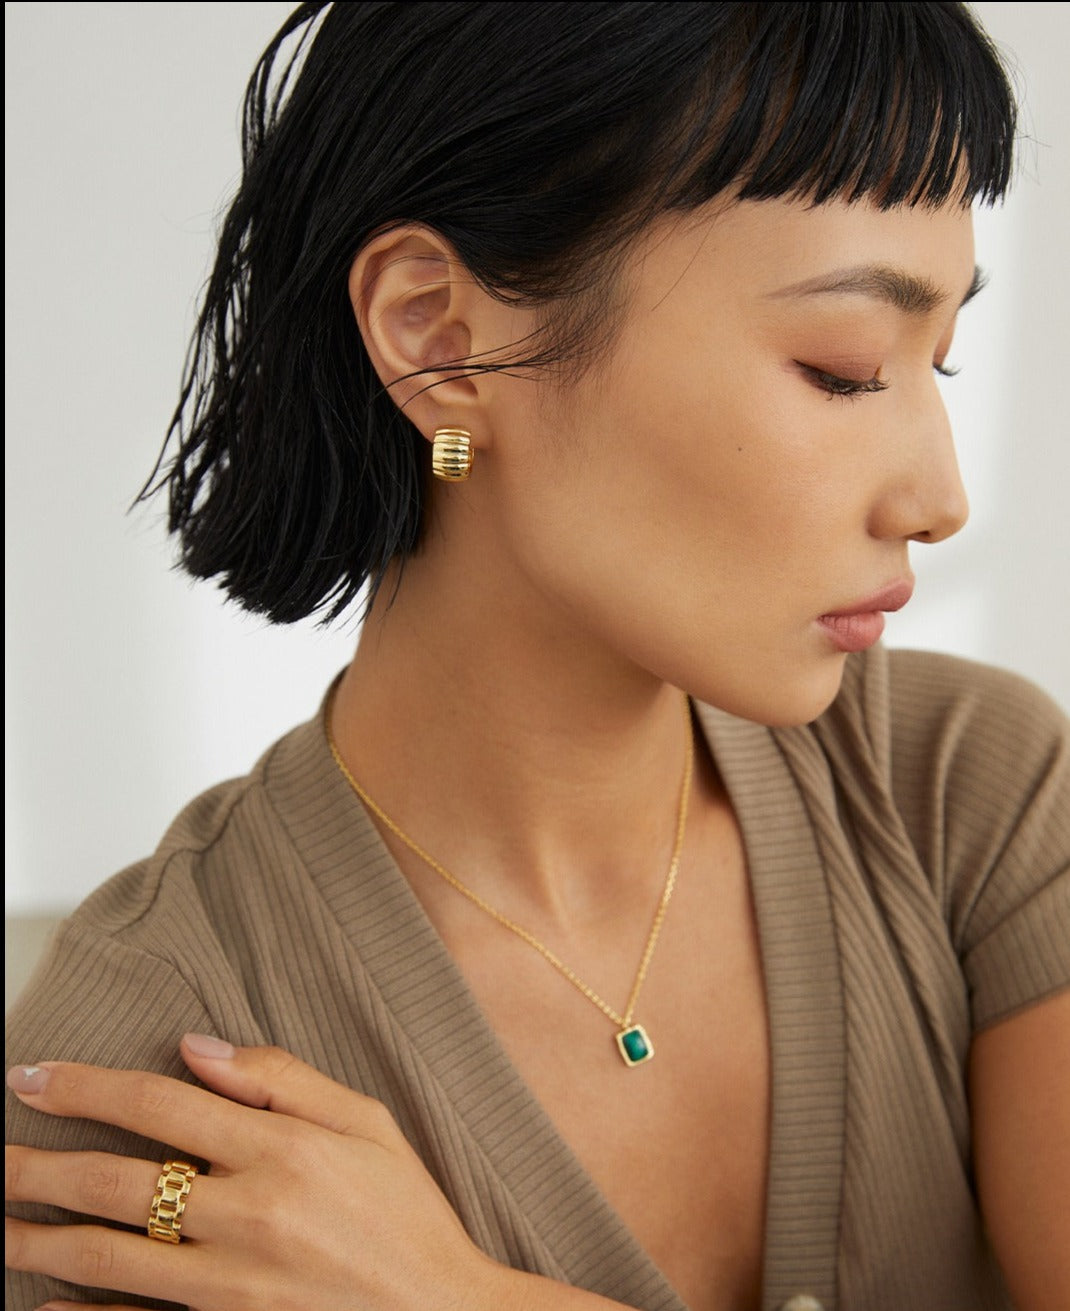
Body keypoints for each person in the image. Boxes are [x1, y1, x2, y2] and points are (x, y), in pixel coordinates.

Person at [5, 3, 1069, 1309]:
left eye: (939, 363)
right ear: (441, 339)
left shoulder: (973, 790)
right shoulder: (155, 1080)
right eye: (844, 368)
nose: (937, 495)